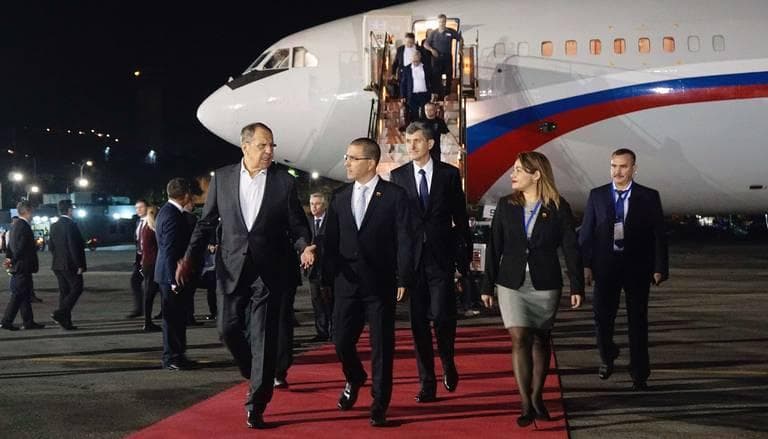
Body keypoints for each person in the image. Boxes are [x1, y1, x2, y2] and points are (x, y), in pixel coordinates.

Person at [176, 122, 315, 430]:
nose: (269, 151)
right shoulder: (223, 178)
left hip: (269, 271)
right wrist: (189, 258)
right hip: (231, 268)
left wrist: (305, 246)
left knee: (264, 336)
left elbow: (297, 225)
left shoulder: (283, 182)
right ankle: (253, 369)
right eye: (263, 145)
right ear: (246, 147)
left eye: (272, 146)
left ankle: (256, 402)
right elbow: (206, 223)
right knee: (227, 329)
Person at [481, 151, 583, 427]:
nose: (512, 175)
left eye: (518, 170)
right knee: (518, 338)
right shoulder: (506, 205)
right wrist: (486, 284)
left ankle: (538, 397)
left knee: (540, 340)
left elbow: (571, 249)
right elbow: (495, 247)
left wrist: (577, 285)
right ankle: (525, 403)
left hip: (545, 284)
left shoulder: (559, 207)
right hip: (511, 283)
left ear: (536, 174)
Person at [321, 137, 413, 427]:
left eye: (352, 158)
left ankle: (379, 404)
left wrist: (403, 276)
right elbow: (330, 241)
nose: (346, 162)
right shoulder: (338, 197)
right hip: (346, 284)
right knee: (341, 342)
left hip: (381, 283)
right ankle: (355, 377)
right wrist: (325, 276)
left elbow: (405, 239)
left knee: (382, 346)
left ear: (370, 163)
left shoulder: (395, 196)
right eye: (346, 157)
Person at [390, 121, 470, 403]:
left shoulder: (449, 175)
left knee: (443, 317)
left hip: (441, 257)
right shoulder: (397, 176)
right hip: (412, 262)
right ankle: (427, 381)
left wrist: (464, 259)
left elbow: (460, 219)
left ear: (430, 145)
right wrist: (398, 271)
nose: (410, 146)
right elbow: (396, 225)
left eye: (416, 141)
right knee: (418, 325)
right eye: (408, 141)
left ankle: (448, 361)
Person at [578, 148, 668, 391]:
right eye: (614, 166)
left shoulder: (648, 196)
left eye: (623, 166)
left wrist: (659, 267)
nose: (617, 171)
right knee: (601, 317)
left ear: (634, 169)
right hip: (605, 268)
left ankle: (639, 374)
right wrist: (585, 265)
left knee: (637, 321)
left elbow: (658, 234)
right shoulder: (597, 196)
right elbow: (586, 234)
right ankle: (607, 355)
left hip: (637, 267)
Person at [154, 178, 197, 371]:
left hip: (168, 273)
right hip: (170, 275)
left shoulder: (166, 211)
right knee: (173, 319)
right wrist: (173, 280)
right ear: (186, 195)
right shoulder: (173, 215)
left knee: (178, 318)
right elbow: (170, 249)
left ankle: (178, 355)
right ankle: (172, 357)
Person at [1, 201, 45, 331]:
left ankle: (28, 321)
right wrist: (13, 260)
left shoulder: (15, 225)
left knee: (24, 295)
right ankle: (6, 321)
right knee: (18, 295)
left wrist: (9, 259)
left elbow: (10, 246)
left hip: (18, 266)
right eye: (32, 210)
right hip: (22, 266)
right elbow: (21, 248)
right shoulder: (24, 226)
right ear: (28, 211)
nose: (33, 214)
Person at [49, 199, 86, 330]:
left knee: (64, 292)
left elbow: (51, 246)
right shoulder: (70, 225)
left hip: (57, 264)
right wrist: (79, 264)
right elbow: (73, 246)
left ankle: (66, 322)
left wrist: (58, 258)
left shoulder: (54, 225)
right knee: (77, 288)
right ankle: (60, 313)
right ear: (70, 210)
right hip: (70, 265)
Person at [307, 192, 331, 343]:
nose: (314, 207)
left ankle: (333, 331)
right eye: (311, 204)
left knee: (330, 300)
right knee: (316, 300)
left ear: (324, 205)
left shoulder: (331, 221)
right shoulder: (307, 222)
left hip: (329, 266)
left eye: (317, 204)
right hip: (312, 268)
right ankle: (321, 331)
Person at [424, 14, 462, 99]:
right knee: (436, 77)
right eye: (440, 21)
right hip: (436, 58)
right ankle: (437, 95)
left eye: (443, 21)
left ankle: (447, 95)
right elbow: (425, 44)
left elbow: (460, 39)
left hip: (447, 57)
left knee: (449, 76)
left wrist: (460, 49)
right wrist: (432, 50)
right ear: (438, 22)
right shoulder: (433, 33)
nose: (442, 23)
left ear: (445, 22)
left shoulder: (451, 31)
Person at [400, 50, 436, 126]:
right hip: (412, 95)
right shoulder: (406, 69)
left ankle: (425, 130)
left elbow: (432, 81)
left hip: (424, 94)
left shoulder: (426, 68)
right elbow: (403, 83)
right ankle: (414, 130)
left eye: (417, 60)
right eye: (413, 60)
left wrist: (433, 92)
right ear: (411, 59)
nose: (415, 62)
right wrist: (403, 96)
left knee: (425, 113)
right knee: (413, 113)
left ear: (420, 58)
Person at [140, 205, 161, 332]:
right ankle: (147, 322)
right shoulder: (151, 229)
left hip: (147, 263)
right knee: (151, 293)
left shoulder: (146, 228)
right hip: (153, 264)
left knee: (149, 293)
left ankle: (148, 321)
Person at [128, 199, 148, 318]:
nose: (138, 210)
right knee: (135, 281)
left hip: (151, 258)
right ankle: (139, 308)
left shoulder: (152, 221)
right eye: (136, 208)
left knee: (155, 286)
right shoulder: (138, 222)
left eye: (141, 207)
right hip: (140, 259)